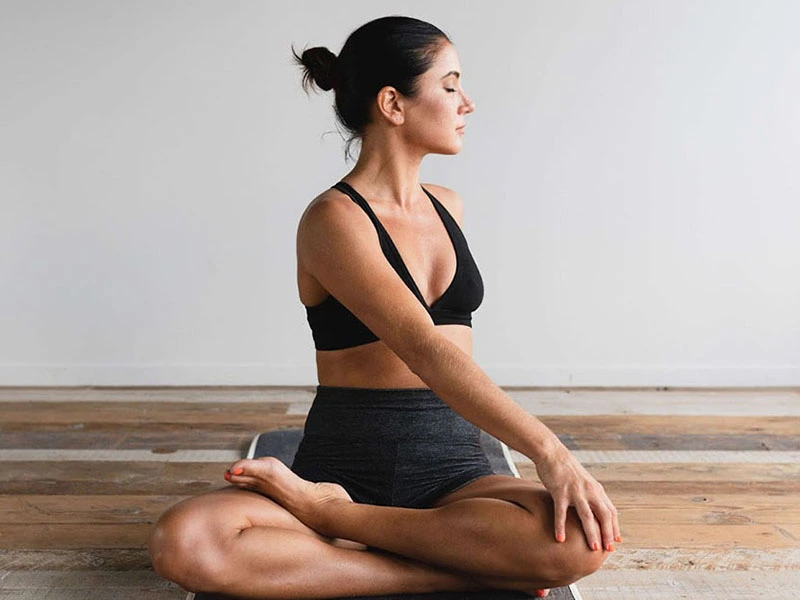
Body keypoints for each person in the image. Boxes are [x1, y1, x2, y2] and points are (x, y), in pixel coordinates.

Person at [147, 15, 620, 599]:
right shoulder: (333, 219)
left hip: (453, 469)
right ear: (393, 103)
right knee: (186, 541)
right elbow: (423, 348)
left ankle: (340, 526)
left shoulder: (450, 207)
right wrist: (550, 451)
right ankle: (429, 556)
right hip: (341, 466)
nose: (466, 102)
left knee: (580, 538)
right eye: (450, 85)